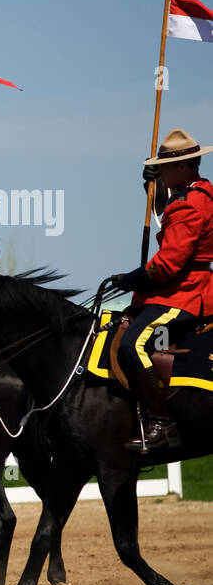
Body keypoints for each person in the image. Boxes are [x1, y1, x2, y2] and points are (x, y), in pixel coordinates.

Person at [108, 128, 213, 452]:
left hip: (183, 293)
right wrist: (152, 187)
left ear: (182, 167)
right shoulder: (201, 191)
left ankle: (161, 423)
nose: (161, 172)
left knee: (131, 345)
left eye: (164, 167)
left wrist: (133, 278)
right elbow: (170, 215)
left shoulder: (188, 204)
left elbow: (167, 264)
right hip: (183, 287)